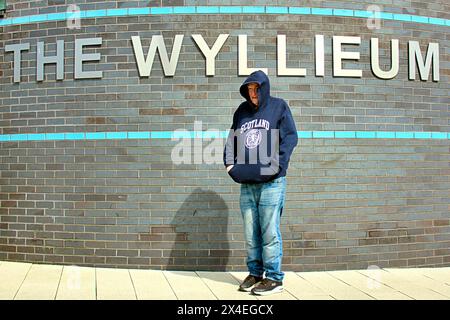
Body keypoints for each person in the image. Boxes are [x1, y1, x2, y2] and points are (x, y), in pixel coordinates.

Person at [223, 70, 298, 295]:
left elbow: (291, 137)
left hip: (272, 183)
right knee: (250, 232)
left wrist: (278, 165)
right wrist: (230, 166)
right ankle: (255, 273)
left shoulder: (279, 106)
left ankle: (274, 278)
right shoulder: (242, 111)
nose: (253, 94)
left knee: (269, 232)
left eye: (257, 89)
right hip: (247, 184)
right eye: (250, 89)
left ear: (264, 88)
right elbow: (231, 140)